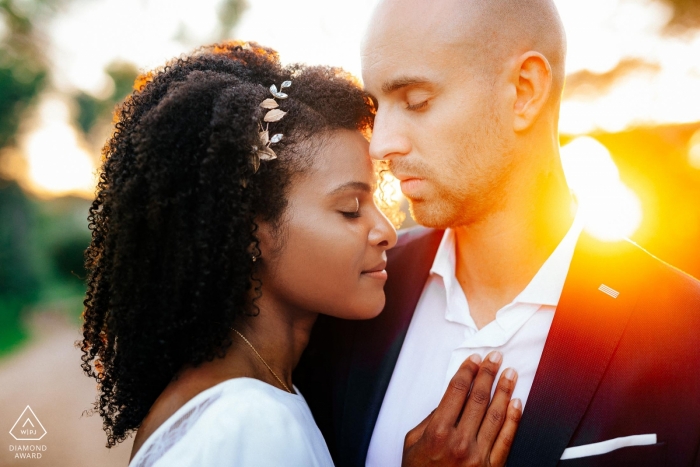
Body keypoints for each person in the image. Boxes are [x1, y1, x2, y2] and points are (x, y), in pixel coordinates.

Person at [294, 0, 700, 466]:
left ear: (524, 91)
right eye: (377, 107)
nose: (382, 143)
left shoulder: (687, 333)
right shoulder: (347, 303)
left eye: (416, 101)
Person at [79, 41, 522, 467]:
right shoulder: (249, 424)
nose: (387, 232)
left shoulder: (254, 390)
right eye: (350, 210)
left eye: (378, 204)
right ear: (250, 232)